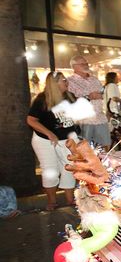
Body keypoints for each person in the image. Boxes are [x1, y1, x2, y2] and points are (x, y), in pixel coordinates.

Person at [26, 72, 79, 211]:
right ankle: (52, 201)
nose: (66, 82)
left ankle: (70, 199)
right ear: (54, 83)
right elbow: (31, 120)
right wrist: (49, 133)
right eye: (63, 80)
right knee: (50, 170)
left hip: (66, 139)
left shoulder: (69, 96)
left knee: (70, 167)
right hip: (45, 140)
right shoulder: (42, 99)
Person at [67, 55, 111, 149]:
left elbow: (103, 95)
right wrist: (88, 96)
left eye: (86, 63)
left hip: (100, 118)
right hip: (83, 120)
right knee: (85, 150)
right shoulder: (70, 81)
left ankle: (104, 164)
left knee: (105, 148)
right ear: (74, 67)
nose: (86, 65)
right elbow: (69, 100)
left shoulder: (95, 79)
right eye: (82, 64)